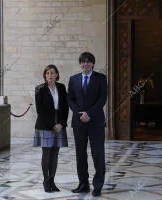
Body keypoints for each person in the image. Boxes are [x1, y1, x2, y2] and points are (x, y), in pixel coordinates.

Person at [67, 52, 107, 197]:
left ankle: (98, 186)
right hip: (78, 122)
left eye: (88, 62)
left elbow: (102, 99)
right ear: (80, 64)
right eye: (83, 62)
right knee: (80, 154)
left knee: (98, 154)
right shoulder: (73, 79)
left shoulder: (101, 78)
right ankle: (83, 184)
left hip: (95, 122)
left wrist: (89, 114)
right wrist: (80, 114)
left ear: (93, 64)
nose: (86, 64)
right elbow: (70, 99)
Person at [33, 64, 69, 193]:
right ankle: (46, 181)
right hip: (45, 125)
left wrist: (61, 123)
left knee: (55, 153)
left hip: (59, 123)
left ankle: (52, 181)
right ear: (44, 76)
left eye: (52, 73)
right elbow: (40, 110)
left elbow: (65, 107)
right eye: (47, 73)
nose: (50, 75)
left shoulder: (61, 87)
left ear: (57, 75)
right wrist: (51, 125)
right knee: (46, 153)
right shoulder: (40, 89)